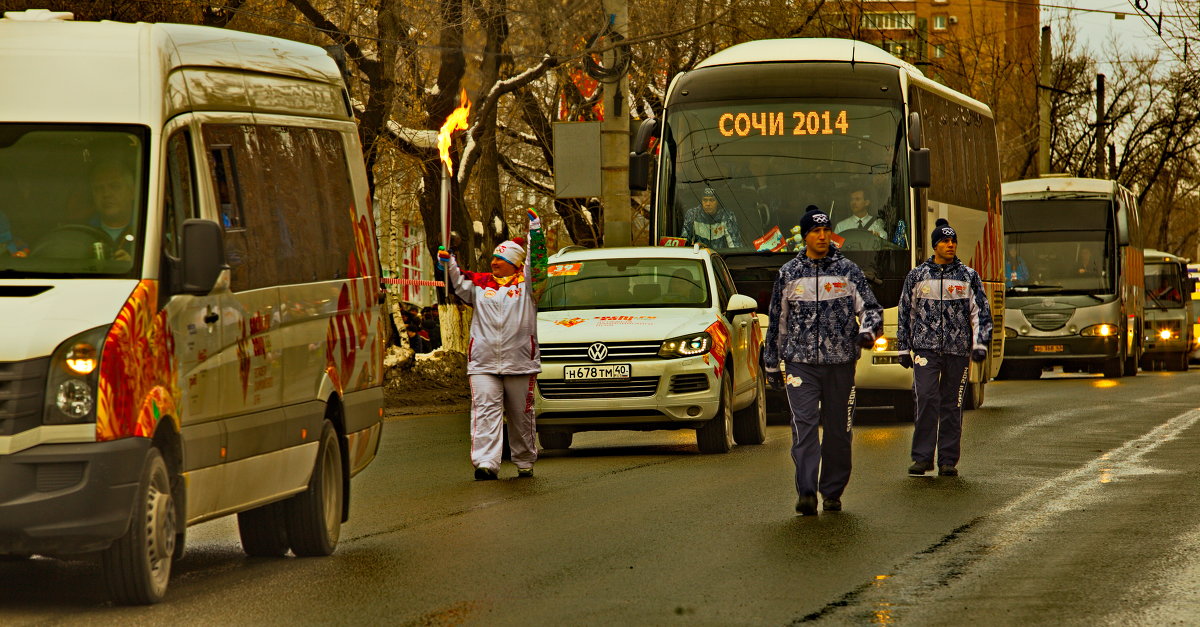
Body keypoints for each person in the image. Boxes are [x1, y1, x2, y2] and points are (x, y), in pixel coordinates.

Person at [764, 208, 883, 515]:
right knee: (803, 428)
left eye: (826, 230)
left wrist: (868, 332)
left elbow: (870, 308)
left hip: (840, 362)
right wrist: (770, 363)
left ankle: (831, 491)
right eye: (815, 232)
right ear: (805, 236)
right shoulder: (789, 273)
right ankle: (806, 491)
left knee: (837, 431)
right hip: (800, 362)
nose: (821, 236)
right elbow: (779, 320)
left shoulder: (847, 270)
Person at [439, 209, 547, 480]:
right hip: (483, 362)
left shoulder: (529, 287)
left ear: (515, 263)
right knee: (485, 412)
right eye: (494, 257)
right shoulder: (480, 286)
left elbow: (538, 264)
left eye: (501, 258)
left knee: (521, 416)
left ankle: (524, 460)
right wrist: (448, 261)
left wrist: (535, 232)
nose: (494, 262)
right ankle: (486, 463)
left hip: (520, 362)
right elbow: (456, 283)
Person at [896, 218, 992, 478]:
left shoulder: (968, 276)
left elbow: (981, 313)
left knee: (952, 404)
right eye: (945, 241)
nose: (950, 245)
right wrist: (903, 348)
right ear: (935, 245)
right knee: (926, 398)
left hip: (957, 351)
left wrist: (979, 343)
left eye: (953, 241)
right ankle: (922, 458)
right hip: (925, 349)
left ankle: (948, 460)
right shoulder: (918, 276)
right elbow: (906, 313)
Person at [87, 161, 137, 261]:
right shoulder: (82, 234)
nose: (106, 194)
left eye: (114, 186)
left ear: (132, 191)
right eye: (99, 188)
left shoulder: (147, 231)